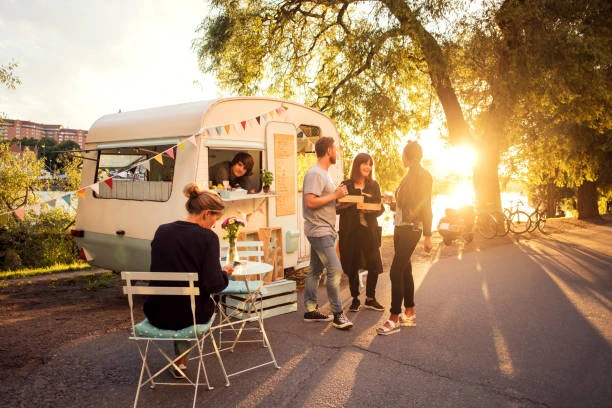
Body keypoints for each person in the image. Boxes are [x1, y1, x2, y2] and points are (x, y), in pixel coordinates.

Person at [143, 183, 234, 377]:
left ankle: (180, 363)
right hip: (191, 316)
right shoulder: (208, 238)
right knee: (192, 302)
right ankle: (180, 361)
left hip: (156, 312)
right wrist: (225, 273)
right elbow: (213, 285)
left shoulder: (162, 230)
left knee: (183, 298)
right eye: (215, 219)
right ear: (206, 213)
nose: (214, 224)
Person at [377, 141, 433, 336]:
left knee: (395, 271)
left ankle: (394, 317)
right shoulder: (408, 177)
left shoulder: (424, 176)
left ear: (408, 157)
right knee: (406, 270)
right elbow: (406, 207)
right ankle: (409, 314)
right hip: (400, 228)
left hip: (412, 229)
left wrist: (428, 235)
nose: (401, 158)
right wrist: (392, 202)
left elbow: (426, 205)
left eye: (403, 154)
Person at [302, 136, 353, 330]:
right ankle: (338, 314)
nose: (337, 153)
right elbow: (310, 202)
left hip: (325, 228)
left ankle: (310, 310)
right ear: (328, 151)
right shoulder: (316, 173)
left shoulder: (325, 174)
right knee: (335, 270)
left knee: (315, 270)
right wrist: (335, 195)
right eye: (336, 149)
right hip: (319, 230)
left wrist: (340, 201)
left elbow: (325, 201)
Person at [337, 153, 385, 313]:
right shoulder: (345, 185)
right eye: (364, 163)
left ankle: (370, 298)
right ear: (357, 165)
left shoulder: (374, 185)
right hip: (350, 233)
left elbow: (380, 208)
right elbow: (336, 207)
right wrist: (350, 204)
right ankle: (355, 299)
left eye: (370, 164)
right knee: (352, 266)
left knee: (374, 264)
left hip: (369, 232)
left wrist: (369, 209)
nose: (367, 167)